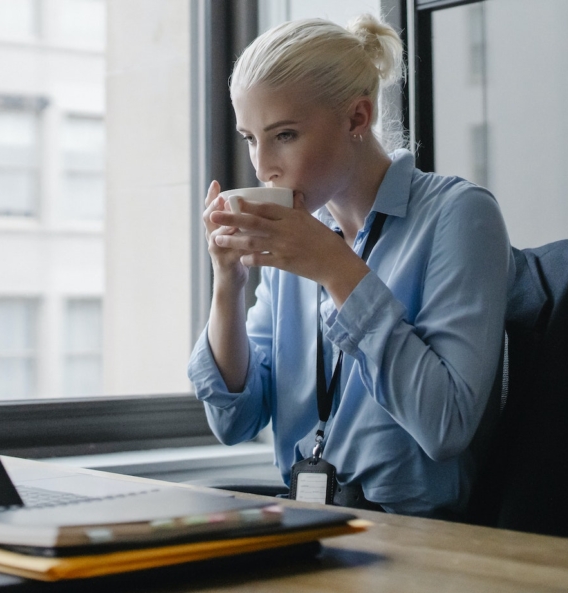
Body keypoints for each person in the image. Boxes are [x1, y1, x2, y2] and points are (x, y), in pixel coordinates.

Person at [187, 13, 513, 517]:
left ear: (357, 119)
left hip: (421, 537)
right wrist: (228, 281)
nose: (262, 166)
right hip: (311, 523)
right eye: (251, 138)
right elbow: (234, 421)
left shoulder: (459, 215)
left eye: (285, 135)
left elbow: (446, 426)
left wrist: (336, 270)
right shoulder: (294, 237)